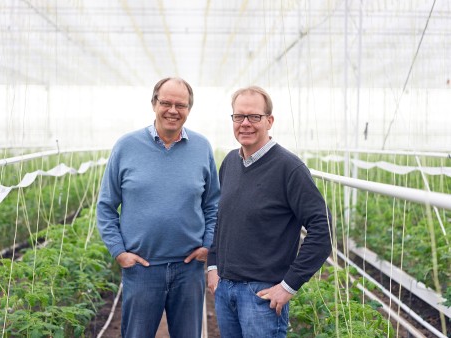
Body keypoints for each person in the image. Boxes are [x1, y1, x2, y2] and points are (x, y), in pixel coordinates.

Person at [96, 77, 220, 338]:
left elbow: (213, 203)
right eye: (166, 103)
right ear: (154, 103)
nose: (173, 110)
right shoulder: (126, 146)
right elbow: (106, 206)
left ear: (189, 109)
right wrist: (119, 252)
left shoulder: (201, 147)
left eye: (181, 105)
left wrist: (208, 244)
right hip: (141, 269)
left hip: (188, 270)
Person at [207, 86, 332, 337]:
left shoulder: (289, 168)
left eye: (254, 117)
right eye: (239, 116)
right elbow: (222, 217)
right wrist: (212, 265)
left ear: (269, 121)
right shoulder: (230, 162)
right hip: (225, 289)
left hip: (261, 296)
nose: (245, 123)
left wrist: (288, 286)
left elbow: (323, 230)